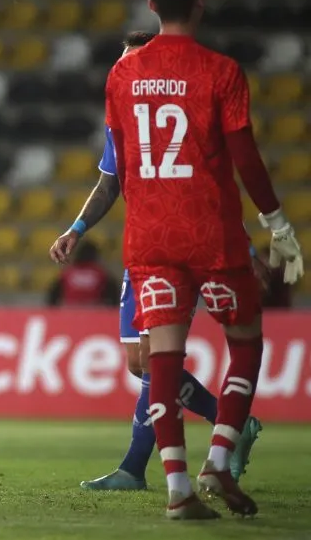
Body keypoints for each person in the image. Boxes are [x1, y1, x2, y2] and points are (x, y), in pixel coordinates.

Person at [105, 0, 304, 519]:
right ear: (200, 1)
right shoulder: (221, 71)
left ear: (149, 4)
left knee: (162, 360)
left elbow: (123, 161)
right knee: (245, 341)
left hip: (151, 240)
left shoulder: (122, 74)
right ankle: (217, 459)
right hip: (211, 236)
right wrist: (276, 225)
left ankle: (177, 489)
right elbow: (245, 156)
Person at [51, 31, 265, 494]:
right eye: (121, 60)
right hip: (142, 245)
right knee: (137, 362)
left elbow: (216, 182)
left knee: (155, 359)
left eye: (132, 59)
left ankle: (135, 469)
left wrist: (245, 245)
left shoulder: (181, 113)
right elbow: (109, 184)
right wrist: (76, 230)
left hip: (182, 248)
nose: (124, 69)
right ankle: (228, 422)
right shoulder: (122, 120)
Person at [45, 240, 117, 307]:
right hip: (94, 313)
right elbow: (114, 296)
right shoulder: (100, 274)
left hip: (70, 313)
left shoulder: (67, 273)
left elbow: (52, 295)